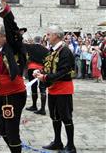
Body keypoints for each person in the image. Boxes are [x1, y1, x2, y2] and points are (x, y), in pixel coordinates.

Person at [0, 0, 27, 153]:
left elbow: (10, 24)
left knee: (12, 132)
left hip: (12, 95)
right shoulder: (0, 50)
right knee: (0, 128)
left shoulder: (13, 45)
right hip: (0, 95)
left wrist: (4, 3)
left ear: (5, 37)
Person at [34, 25, 77, 153]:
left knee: (66, 117)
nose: (46, 37)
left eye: (48, 34)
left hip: (63, 89)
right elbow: (49, 66)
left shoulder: (65, 51)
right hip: (53, 88)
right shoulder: (52, 50)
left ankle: (71, 146)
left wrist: (45, 77)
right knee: (55, 117)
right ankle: (57, 141)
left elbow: (64, 71)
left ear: (56, 36)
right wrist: (39, 71)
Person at [24, 36, 49, 115]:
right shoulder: (46, 49)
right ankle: (42, 108)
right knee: (42, 88)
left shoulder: (30, 46)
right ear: (41, 41)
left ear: (34, 40)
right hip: (41, 69)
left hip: (32, 68)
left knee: (33, 87)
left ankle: (34, 105)